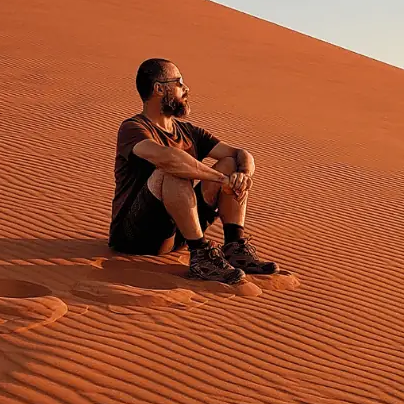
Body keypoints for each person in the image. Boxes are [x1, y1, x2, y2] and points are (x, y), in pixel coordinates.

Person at [108, 58, 278, 284]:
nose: (186, 88)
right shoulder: (133, 128)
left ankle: (234, 248)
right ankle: (200, 255)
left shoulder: (188, 132)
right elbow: (169, 158)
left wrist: (243, 175)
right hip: (135, 237)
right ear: (159, 89)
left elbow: (240, 153)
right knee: (173, 170)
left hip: (176, 235)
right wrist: (221, 179)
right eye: (179, 83)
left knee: (230, 163)